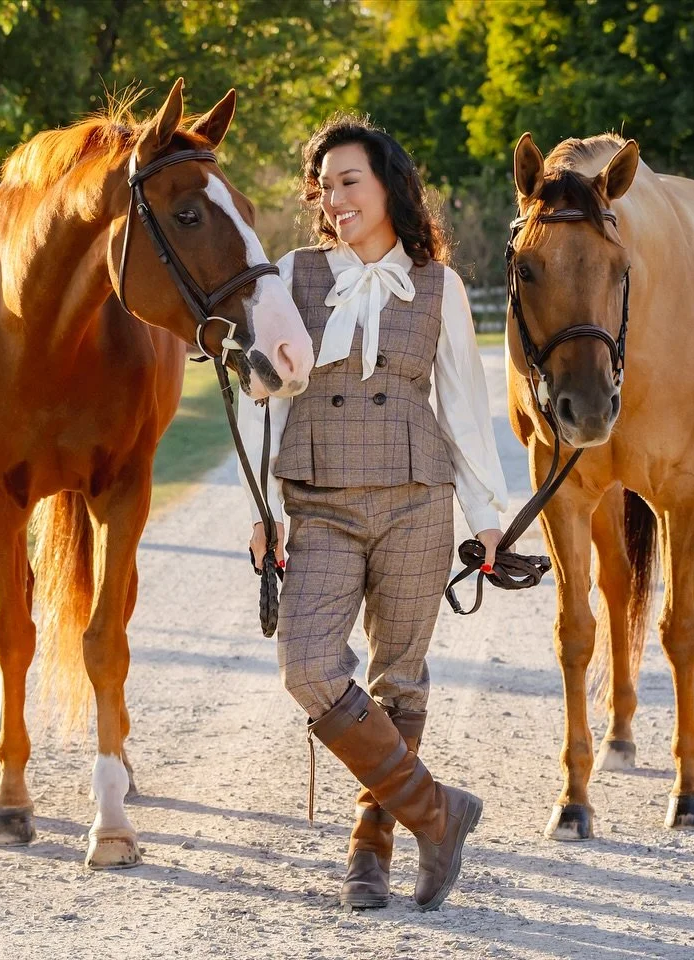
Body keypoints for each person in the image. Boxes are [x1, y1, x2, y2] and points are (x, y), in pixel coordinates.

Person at [238, 115, 509, 911]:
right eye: (325, 187)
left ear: (389, 185)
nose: (336, 199)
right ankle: (437, 812)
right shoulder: (294, 274)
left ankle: (372, 844)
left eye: (350, 181)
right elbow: (266, 402)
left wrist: (487, 516)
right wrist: (263, 508)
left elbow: (464, 406)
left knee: (400, 678)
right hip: (320, 503)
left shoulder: (438, 285)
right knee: (307, 666)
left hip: (416, 501)